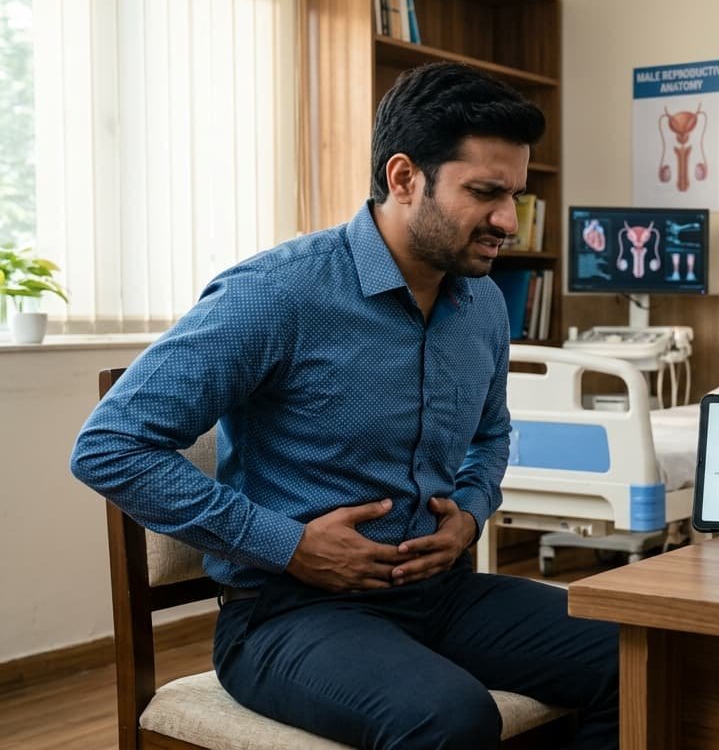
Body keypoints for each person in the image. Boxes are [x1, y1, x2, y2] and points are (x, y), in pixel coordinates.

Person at [71, 62, 618, 748]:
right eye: (485, 193)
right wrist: (290, 544)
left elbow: (492, 434)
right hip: (287, 614)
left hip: (439, 592)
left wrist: (471, 515)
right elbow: (110, 447)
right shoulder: (276, 294)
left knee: (638, 653)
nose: (507, 220)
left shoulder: (482, 305)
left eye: (514, 194)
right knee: (450, 718)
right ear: (403, 178)